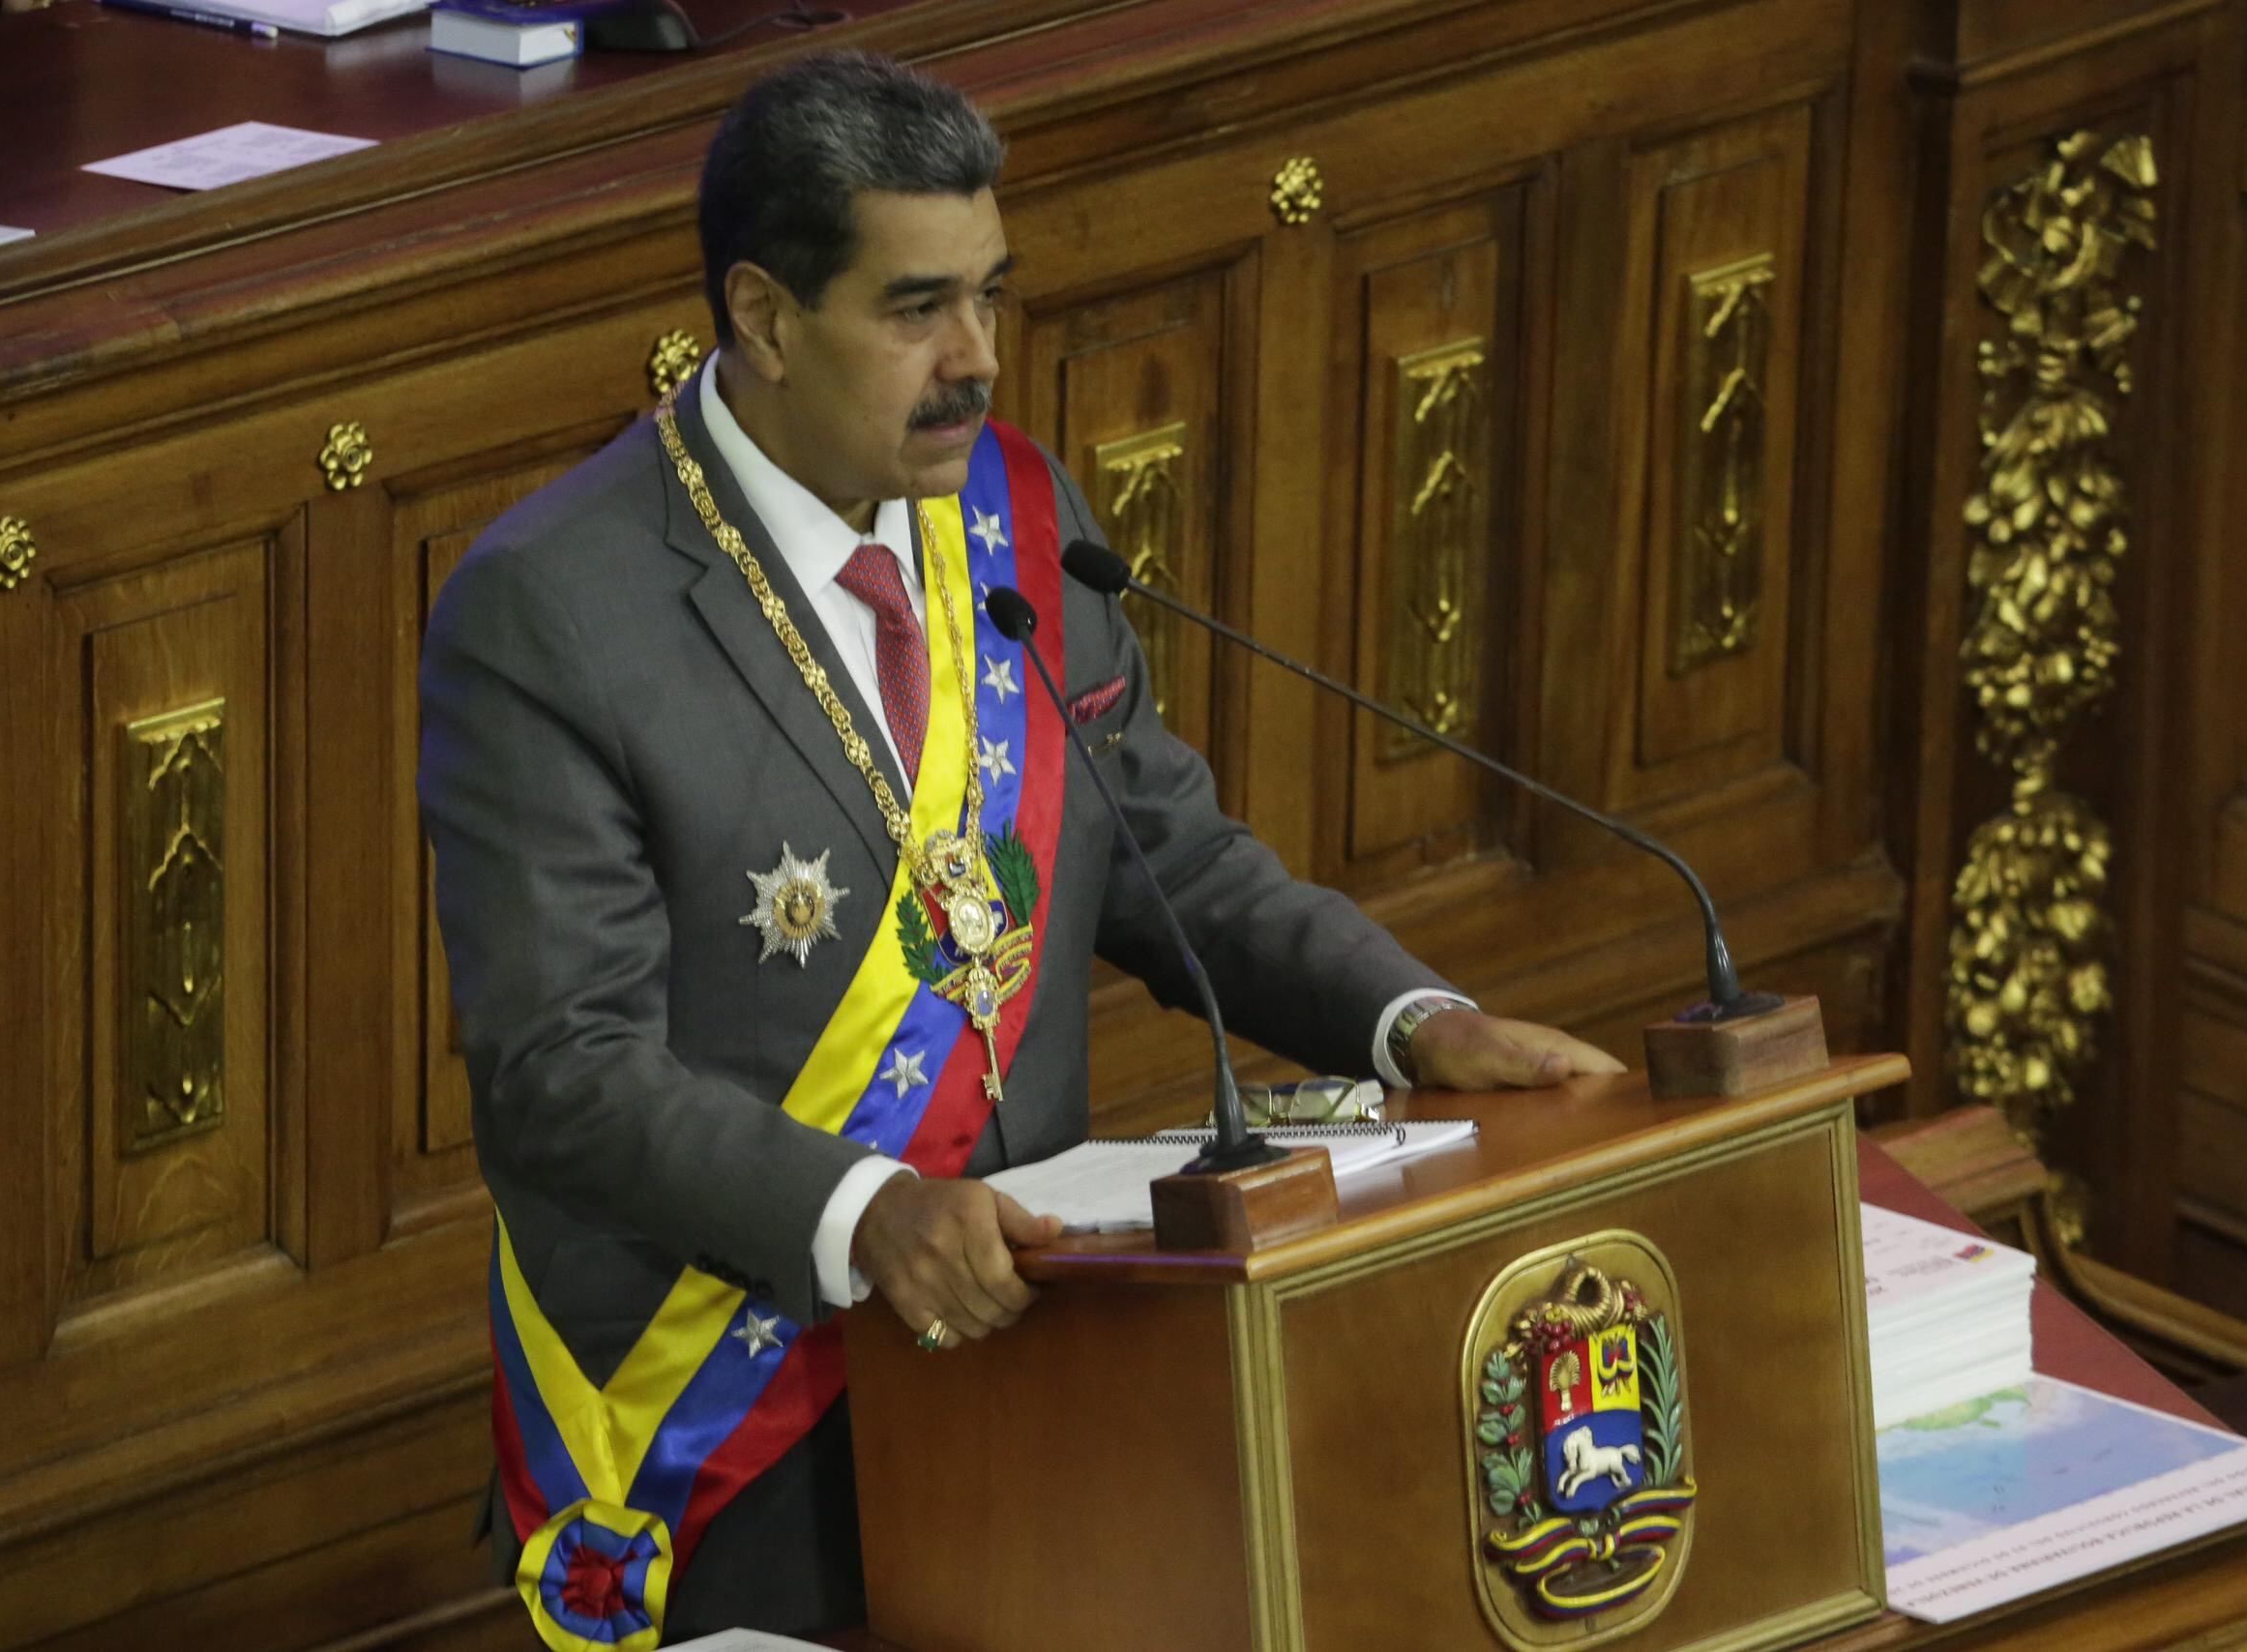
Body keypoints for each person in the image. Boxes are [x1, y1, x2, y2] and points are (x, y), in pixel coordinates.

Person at [417, 49, 1621, 1651]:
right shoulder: (554, 612)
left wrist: (1412, 1021)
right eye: (917, 309)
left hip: (1048, 1344)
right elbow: (560, 1072)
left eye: (991, 295)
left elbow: (1169, 857)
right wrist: (868, 1214)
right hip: (739, 1418)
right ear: (764, 317)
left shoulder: (1014, 515)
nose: (978, 359)